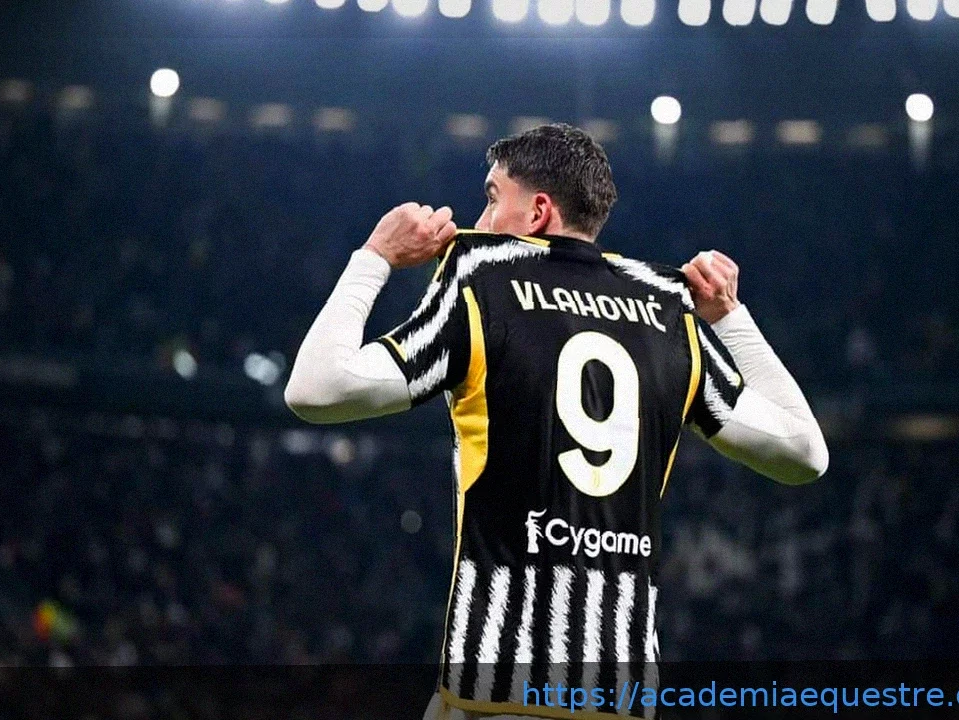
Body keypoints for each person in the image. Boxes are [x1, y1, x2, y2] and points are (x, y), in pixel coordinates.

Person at [284, 123, 828, 719]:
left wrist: (375, 257)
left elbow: (315, 388)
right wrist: (730, 317)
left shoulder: (483, 283)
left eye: (493, 198)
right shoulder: (669, 312)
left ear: (538, 212)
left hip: (496, 691)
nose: (480, 220)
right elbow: (806, 453)